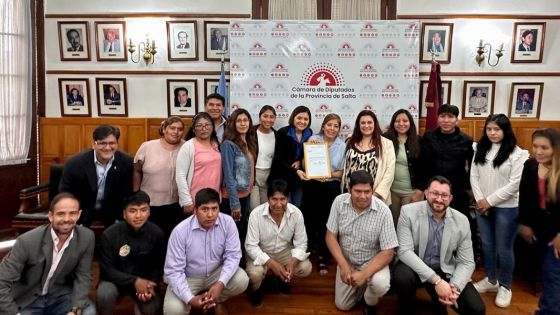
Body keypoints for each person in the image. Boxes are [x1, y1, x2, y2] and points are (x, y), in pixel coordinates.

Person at [392, 176, 485, 315]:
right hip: (416, 267)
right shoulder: (408, 212)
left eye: (444, 195)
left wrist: (454, 287)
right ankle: (406, 309)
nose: (439, 199)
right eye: (435, 193)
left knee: (477, 309)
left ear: (450, 198)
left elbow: (466, 262)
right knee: (401, 276)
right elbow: (404, 251)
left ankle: (439, 299)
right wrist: (436, 281)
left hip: (444, 269)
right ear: (426, 193)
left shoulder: (462, 220)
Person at [0, 193, 96, 315]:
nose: (67, 219)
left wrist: (75, 309)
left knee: (89, 312)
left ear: (79, 215)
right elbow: (1, 281)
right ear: (50, 216)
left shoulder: (87, 237)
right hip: (27, 299)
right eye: (61, 213)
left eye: (72, 213)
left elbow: (84, 276)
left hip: (60, 296)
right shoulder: (27, 241)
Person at [470, 114, 529, 308]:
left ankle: (505, 286)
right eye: (489, 129)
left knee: (504, 249)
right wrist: (480, 201)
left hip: (506, 208)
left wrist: (489, 201)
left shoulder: (517, 153)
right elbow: (474, 175)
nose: (493, 133)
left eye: (497, 129)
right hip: (482, 206)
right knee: (487, 245)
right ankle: (491, 280)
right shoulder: (479, 147)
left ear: (506, 130)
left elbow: (515, 184)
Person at [163, 188, 249, 315]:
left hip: (215, 274)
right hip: (188, 277)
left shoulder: (228, 222)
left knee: (242, 280)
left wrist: (220, 284)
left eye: (214, 208)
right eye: (205, 209)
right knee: (173, 311)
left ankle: (213, 300)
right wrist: (190, 299)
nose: (210, 215)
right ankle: (198, 302)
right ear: (195, 210)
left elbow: (233, 256)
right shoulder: (180, 232)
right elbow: (174, 271)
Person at [326, 170, 398, 315]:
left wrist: (364, 274)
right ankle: (363, 285)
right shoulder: (338, 202)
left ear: (372, 190)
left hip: (373, 263)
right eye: (358, 191)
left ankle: (370, 301)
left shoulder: (384, 211)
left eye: (367, 191)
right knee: (342, 305)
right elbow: (330, 236)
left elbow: (388, 252)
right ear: (348, 189)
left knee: (380, 284)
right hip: (348, 262)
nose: (363, 196)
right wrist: (343, 265)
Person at [97, 191, 166, 315]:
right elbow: (106, 269)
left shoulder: (157, 234)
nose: (138, 216)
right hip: (114, 281)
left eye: (143, 210)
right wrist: (134, 281)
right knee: (104, 294)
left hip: (145, 282)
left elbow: (158, 267)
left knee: (151, 308)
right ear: (124, 214)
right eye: (133, 211)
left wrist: (149, 285)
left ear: (149, 212)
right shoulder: (109, 234)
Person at [245, 179, 312, 307]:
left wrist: (293, 262)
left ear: (288, 198)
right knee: (255, 274)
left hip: (283, 251)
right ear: (268, 198)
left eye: (283, 199)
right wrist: (272, 264)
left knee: (305, 267)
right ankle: (256, 289)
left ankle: (281, 277)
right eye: (274, 199)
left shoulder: (296, 214)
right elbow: (251, 246)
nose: (278, 204)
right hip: (261, 250)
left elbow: (302, 242)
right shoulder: (256, 214)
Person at [518, 128, 560, 315]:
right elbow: (524, 198)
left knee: (552, 274)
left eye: (544, 147)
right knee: (548, 275)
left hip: (557, 230)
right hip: (539, 228)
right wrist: (524, 224)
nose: (538, 151)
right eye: (535, 146)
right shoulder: (530, 166)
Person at [59, 124, 133, 227]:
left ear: (117, 144)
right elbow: (65, 193)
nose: (107, 148)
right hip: (82, 212)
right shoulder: (75, 163)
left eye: (112, 143)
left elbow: (127, 194)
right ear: (94, 144)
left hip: (112, 213)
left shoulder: (126, 162)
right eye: (102, 143)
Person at [300, 113, 346, 274]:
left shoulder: (342, 145)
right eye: (329, 125)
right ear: (323, 126)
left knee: (327, 222)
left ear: (339, 129)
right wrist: (309, 147)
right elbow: (305, 165)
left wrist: (329, 174)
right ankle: (306, 251)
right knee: (309, 219)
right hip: (313, 184)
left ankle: (323, 257)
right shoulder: (314, 139)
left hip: (331, 186)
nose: (332, 128)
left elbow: (342, 173)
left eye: (336, 126)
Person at [418, 104, 473, 224]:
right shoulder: (429, 136)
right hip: (432, 188)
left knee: (459, 222)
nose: (446, 120)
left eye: (450, 117)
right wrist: (421, 188)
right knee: (431, 221)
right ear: (438, 118)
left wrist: (469, 187)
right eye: (442, 116)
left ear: (456, 120)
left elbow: (473, 167)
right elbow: (422, 164)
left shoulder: (466, 140)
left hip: (456, 190)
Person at [134, 117, 185, 237]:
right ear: (164, 129)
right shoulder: (147, 146)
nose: (176, 132)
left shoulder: (187, 147)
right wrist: (136, 194)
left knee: (172, 238)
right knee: (152, 238)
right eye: (172, 128)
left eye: (180, 129)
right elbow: (137, 171)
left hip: (176, 204)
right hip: (150, 203)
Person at [342, 110, 395, 205]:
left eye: (369, 122)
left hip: (374, 197)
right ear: (358, 125)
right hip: (350, 194)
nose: (366, 126)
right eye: (363, 123)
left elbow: (389, 172)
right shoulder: (350, 140)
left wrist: (375, 195)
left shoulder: (386, 144)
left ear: (375, 124)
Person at [176, 112, 221, 217]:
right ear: (193, 129)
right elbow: (180, 175)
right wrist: (187, 201)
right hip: (194, 200)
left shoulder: (216, 144)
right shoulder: (188, 146)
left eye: (207, 125)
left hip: (214, 199)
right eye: (199, 126)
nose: (203, 128)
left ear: (212, 127)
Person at [220, 108, 256, 241]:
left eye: (245, 120)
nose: (243, 124)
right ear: (233, 124)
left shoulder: (250, 142)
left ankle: (238, 260)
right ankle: (231, 261)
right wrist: (234, 203)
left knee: (241, 232)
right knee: (230, 235)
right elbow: (228, 175)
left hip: (245, 195)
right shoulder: (228, 145)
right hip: (231, 198)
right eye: (239, 121)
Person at [382, 109, 423, 226]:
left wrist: (419, 192)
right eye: (397, 121)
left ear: (410, 123)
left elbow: (425, 168)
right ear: (393, 123)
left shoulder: (419, 141)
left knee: (409, 226)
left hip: (412, 192)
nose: (401, 124)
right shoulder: (385, 139)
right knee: (391, 224)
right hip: (391, 192)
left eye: (405, 121)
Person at [269, 106, 313, 208]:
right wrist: (295, 171)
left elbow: (306, 152)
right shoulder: (283, 132)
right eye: (299, 118)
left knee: (296, 208)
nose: (302, 121)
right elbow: (278, 158)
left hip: (298, 180)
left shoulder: (309, 133)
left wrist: (299, 160)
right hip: (282, 177)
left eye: (306, 119)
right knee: (286, 207)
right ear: (293, 117)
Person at [250, 105, 277, 210]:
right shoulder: (251, 132)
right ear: (260, 117)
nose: (268, 119)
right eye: (265, 116)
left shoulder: (277, 135)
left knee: (266, 208)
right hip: (254, 175)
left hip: (269, 176)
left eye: (271, 117)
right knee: (254, 208)